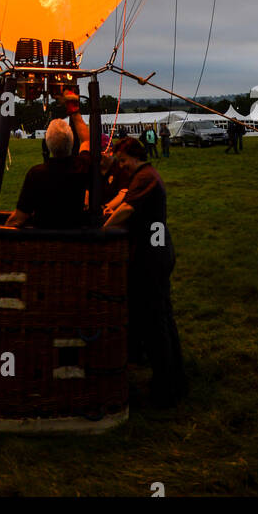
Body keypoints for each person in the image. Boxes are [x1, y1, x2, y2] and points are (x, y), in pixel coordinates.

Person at [103, 138, 186, 406]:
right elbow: (123, 201)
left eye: (123, 160)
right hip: (153, 253)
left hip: (154, 256)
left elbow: (127, 208)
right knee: (160, 315)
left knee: (155, 321)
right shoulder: (142, 176)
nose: (121, 166)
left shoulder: (146, 177)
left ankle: (166, 386)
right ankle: (173, 376)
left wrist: (101, 230)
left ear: (133, 157)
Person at [5, 91, 90, 229]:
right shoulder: (82, 166)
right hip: (75, 239)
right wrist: (73, 108)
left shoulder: (36, 174)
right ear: (72, 142)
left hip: (43, 242)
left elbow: (20, 217)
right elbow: (86, 140)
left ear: (47, 145)